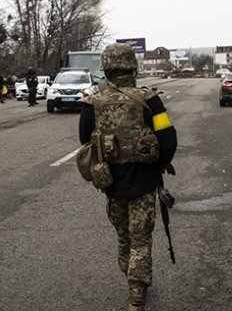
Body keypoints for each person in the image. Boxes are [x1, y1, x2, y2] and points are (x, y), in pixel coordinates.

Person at [78, 43, 177, 311]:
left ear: (106, 69)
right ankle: (136, 295)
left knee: (125, 238)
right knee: (141, 240)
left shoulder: (92, 102)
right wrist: (160, 163)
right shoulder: (149, 99)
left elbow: (85, 140)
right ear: (133, 67)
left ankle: (134, 281)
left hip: (111, 184)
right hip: (144, 183)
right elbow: (168, 139)